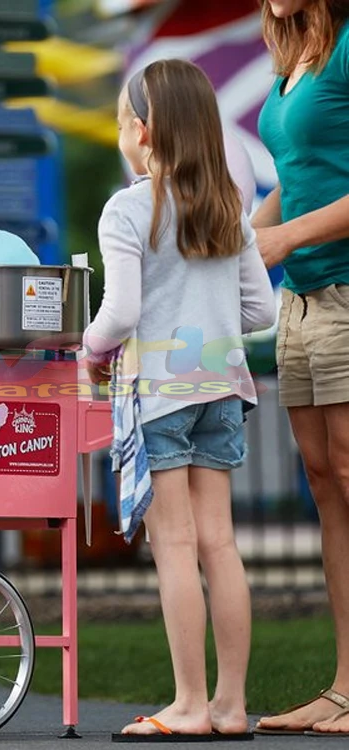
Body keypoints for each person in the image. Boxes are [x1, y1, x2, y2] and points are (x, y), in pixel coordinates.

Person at [82, 59, 275, 739]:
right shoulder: (226, 202)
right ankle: (229, 704)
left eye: (120, 121)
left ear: (144, 128)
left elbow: (121, 310)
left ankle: (188, 705)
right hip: (222, 388)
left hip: (160, 395)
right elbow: (261, 310)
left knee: (175, 547)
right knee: (219, 544)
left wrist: (89, 351)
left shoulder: (128, 208)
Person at [253, 0, 349, 736]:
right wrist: (245, 228)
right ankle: (346, 686)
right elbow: (303, 171)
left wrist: (284, 237)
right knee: (326, 487)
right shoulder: (293, 56)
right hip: (302, 303)